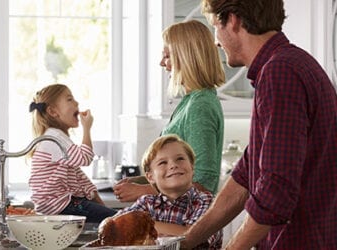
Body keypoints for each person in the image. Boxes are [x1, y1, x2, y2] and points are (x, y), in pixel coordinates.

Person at [182, 0, 337, 249]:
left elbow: (276, 193)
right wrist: (185, 242)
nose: (215, 40)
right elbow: (245, 174)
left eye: (214, 26)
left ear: (232, 20)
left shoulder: (280, 72)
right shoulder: (287, 65)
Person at [113, 19, 226, 201]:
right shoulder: (191, 101)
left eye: (167, 56)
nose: (161, 62)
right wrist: (143, 180)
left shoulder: (200, 105)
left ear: (186, 58)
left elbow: (203, 181)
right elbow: (182, 172)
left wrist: (142, 191)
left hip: (187, 221)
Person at [114, 134, 222, 249]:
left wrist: (141, 225)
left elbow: (194, 236)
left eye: (180, 159)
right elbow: (116, 225)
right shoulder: (147, 202)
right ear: (150, 177)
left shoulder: (206, 200)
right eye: (162, 162)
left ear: (192, 167)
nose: (173, 165)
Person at [28, 83, 117, 223]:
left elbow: (79, 176)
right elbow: (85, 158)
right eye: (69, 99)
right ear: (52, 111)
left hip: (64, 204)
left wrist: (100, 204)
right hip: (59, 206)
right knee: (120, 219)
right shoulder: (54, 138)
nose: (77, 102)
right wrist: (87, 128)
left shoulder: (59, 138)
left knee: (118, 218)